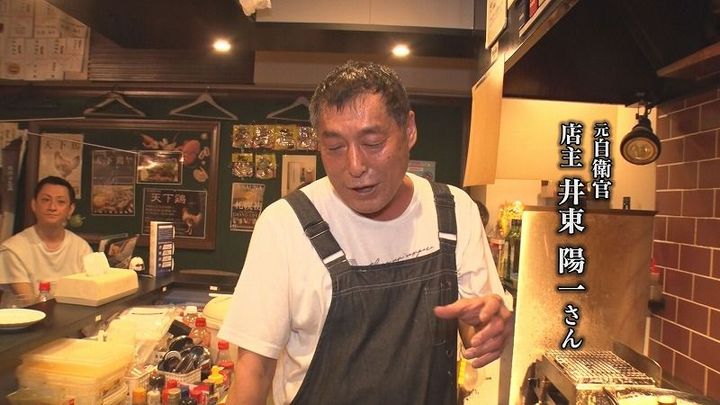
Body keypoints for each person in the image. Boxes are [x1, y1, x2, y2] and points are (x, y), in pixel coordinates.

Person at [218, 61, 513, 405]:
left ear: (409, 130)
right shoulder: (285, 225)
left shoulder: (454, 212)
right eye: (335, 148)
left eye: (372, 142)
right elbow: (253, 373)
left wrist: (491, 329)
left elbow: (474, 331)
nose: (355, 166)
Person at [0, 176, 92, 307]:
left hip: (71, 317)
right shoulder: (13, 249)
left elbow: (88, 294)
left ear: (70, 209)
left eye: (61, 202)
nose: (52, 207)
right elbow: (29, 303)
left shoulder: (81, 248)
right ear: (34, 205)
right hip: (28, 318)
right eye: (46, 200)